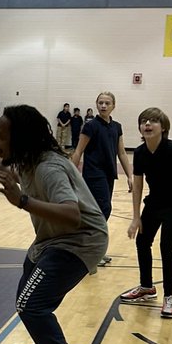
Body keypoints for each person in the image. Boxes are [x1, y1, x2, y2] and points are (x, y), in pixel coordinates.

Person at [0, 105, 108, 344]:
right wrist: (8, 174)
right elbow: (25, 178)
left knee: (31, 304)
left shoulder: (48, 167)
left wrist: (22, 201)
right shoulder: (29, 161)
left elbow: (71, 213)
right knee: (28, 291)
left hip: (80, 240)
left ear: (21, 138)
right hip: (52, 240)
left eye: (2, 136)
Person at [120, 107, 172, 319]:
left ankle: (169, 297)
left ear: (163, 127)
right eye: (144, 121)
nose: (147, 124)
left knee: (166, 246)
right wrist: (136, 217)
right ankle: (147, 287)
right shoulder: (140, 152)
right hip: (154, 203)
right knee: (142, 242)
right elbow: (137, 186)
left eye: (153, 121)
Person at [71, 91, 133, 265]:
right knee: (103, 209)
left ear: (114, 105)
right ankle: (90, 250)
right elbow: (78, 151)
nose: (103, 106)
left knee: (99, 212)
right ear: (96, 104)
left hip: (108, 173)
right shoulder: (90, 126)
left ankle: (90, 248)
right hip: (93, 173)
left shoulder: (117, 126)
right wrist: (71, 173)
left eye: (107, 103)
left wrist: (129, 175)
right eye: (101, 103)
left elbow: (121, 152)